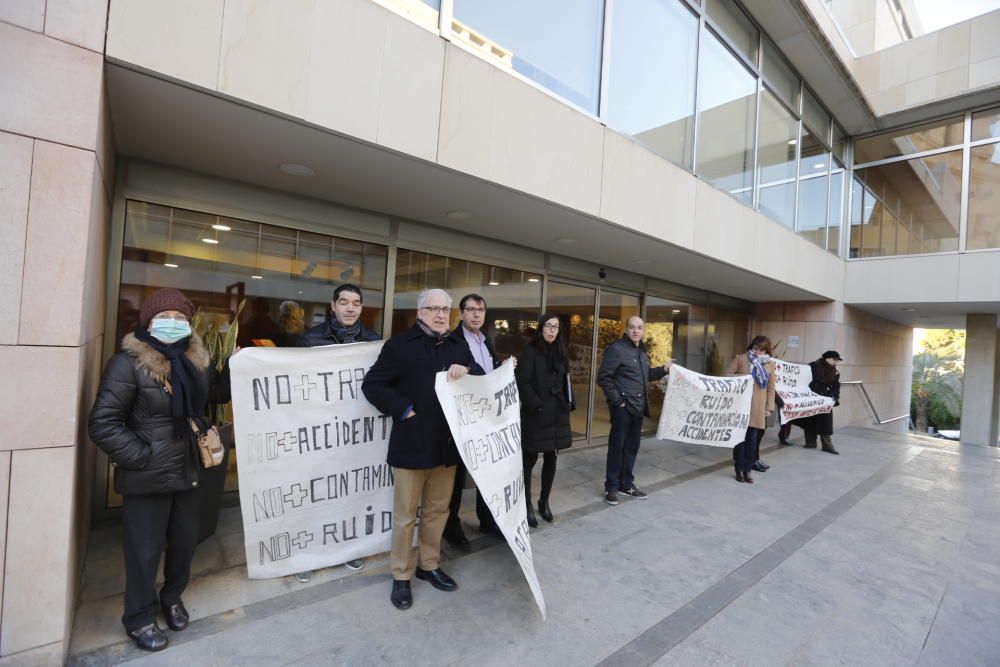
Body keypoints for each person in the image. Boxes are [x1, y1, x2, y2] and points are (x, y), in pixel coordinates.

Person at [88, 288, 230, 652]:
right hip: (148, 477)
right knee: (144, 552)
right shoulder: (127, 363)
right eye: (163, 317)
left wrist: (235, 367)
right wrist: (143, 457)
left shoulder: (196, 359)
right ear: (148, 323)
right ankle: (139, 618)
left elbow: (213, 395)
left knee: (184, 544)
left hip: (190, 471)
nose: (172, 323)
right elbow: (103, 423)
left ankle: (172, 598)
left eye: (180, 318)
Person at [362, 289, 484, 611]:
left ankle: (428, 565)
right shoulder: (400, 345)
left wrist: (467, 371)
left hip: (446, 447)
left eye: (445, 309)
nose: (441, 315)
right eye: (433, 309)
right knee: (405, 516)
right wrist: (404, 410)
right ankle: (401, 575)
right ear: (419, 312)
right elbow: (373, 385)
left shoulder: (459, 345)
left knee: (437, 511)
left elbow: (481, 380)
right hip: (412, 443)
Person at [296, 283, 379, 579]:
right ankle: (308, 557)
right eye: (343, 302)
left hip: (356, 428)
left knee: (350, 491)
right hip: (320, 427)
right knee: (316, 492)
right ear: (333, 306)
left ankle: (349, 548)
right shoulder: (310, 339)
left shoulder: (373, 340)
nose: (350, 308)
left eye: (356, 303)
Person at [443, 294, 502, 550]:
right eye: (470, 310)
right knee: (456, 476)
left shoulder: (487, 341)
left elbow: (488, 373)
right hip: (463, 419)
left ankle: (487, 520)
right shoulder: (451, 341)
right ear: (461, 313)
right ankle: (451, 526)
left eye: (480, 310)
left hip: (486, 417)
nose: (476, 314)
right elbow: (470, 371)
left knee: (488, 472)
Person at [598, 316, 671, 505]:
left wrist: (664, 369)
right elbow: (604, 377)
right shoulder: (617, 350)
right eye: (632, 327)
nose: (636, 331)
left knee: (632, 448)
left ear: (643, 330)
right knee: (617, 448)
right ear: (627, 329)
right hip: (623, 408)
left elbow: (646, 375)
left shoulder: (641, 352)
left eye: (639, 328)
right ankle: (611, 488)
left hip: (638, 408)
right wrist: (618, 402)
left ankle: (627, 485)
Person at [516, 313, 572, 526]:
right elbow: (522, 380)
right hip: (536, 414)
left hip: (557, 414)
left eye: (556, 327)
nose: (551, 330)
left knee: (552, 458)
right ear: (541, 328)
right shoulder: (530, 351)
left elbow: (566, 379)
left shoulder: (560, 352)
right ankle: (527, 504)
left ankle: (544, 501)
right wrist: (536, 404)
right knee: (528, 460)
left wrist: (567, 403)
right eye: (548, 326)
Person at [726, 336, 776, 483]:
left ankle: (748, 469)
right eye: (755, 349)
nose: (758, 353)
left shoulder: (769, 364)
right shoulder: (741, 358)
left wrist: (769, 408)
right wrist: (746, 377)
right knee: (739, 440)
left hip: (757, 408)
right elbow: (727, 375)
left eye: (762, 350)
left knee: (752, 441)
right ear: (751, 347)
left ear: (766, 351)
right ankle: (738, 469)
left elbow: (771, 388)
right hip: (740, 406)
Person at [798, 350, 842, 455]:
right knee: (810, 421)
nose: (835, 362)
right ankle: (810, 442)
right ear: (827, 358)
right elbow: (804, 379)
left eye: (837, 360)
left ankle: (827, 446)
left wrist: (834, 398)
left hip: (825, 400)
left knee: (825, 424)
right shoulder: (813, 366)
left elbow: (836, 386)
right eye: (834, 359)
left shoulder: (835, 372)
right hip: (812, 398)